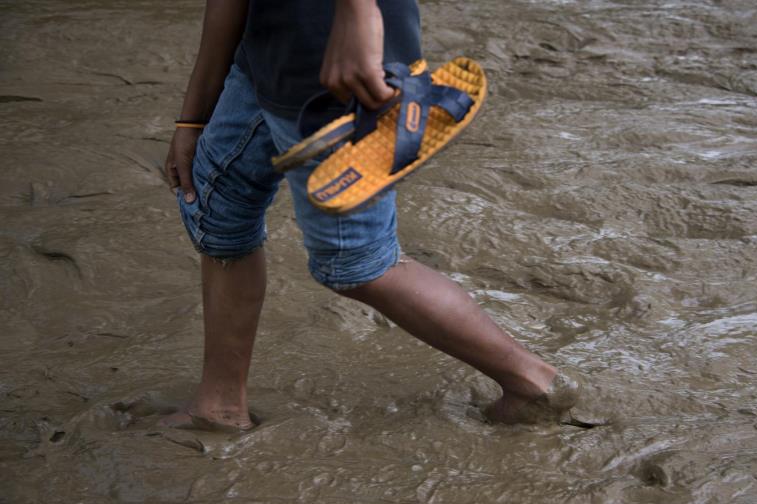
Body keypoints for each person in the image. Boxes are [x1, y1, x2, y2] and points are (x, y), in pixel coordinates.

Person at [161, 0, 578, 430]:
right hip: (268, 50)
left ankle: (532, 382)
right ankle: (220, 405)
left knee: (356, 262)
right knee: (218, 203)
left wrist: (358, 14)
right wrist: (192, 119)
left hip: (335, 62)